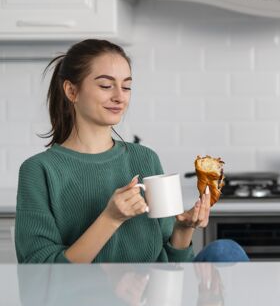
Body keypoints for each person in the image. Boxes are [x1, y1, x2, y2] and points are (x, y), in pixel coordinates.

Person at [15, 39, 248, 263]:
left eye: (126, 86)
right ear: (71, 91)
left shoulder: (145, 159)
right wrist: (111, 218)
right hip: (86, 299)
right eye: (106, 86)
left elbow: (174, 263)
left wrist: (183, 228)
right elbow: (38, 272)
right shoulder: (39, 171)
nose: (119, 96)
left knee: (226, 251)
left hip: (153, 296)